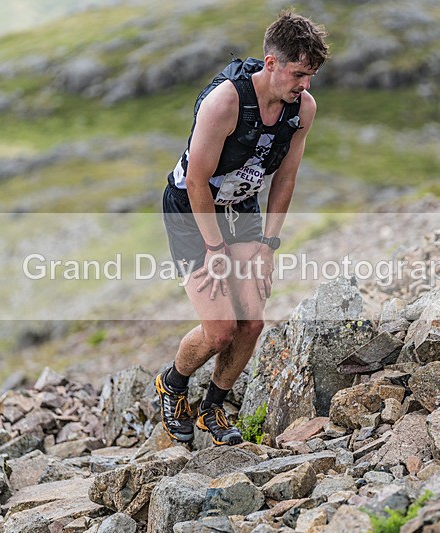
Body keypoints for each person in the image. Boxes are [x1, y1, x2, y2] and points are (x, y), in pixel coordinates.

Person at [157, 11, 329, 445]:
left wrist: (268, 245)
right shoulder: (225, 102)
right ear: (271, 64)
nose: (305, 85)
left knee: (251, 323)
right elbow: (196, 182)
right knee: (220, 330)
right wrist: (215, 250)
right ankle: (172, 385)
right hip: (193, 208)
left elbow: (285, 178)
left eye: (311, 75)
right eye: (298, 74)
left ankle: (212, 408)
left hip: (240, 208)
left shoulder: (302, 108)